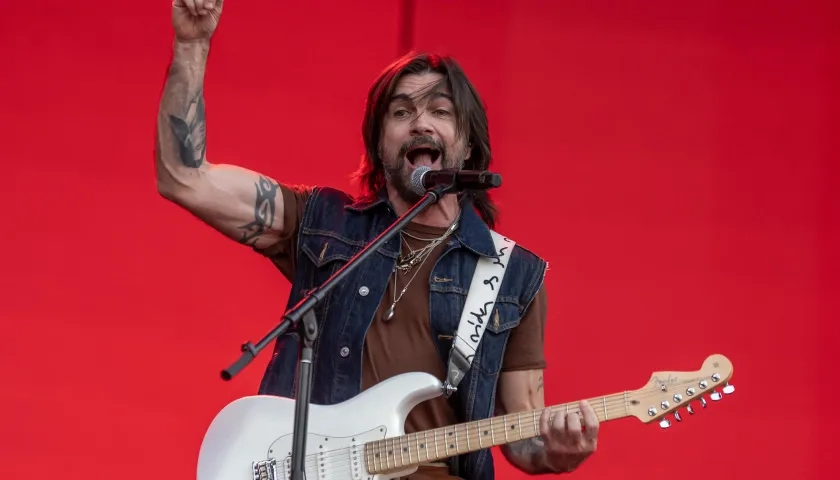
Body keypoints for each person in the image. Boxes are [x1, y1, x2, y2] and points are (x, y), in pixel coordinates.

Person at [155, 1, 599, 479]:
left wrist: (560, 450)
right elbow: (185, 178)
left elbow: (525, 440)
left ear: (467, 143)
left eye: (440, 111)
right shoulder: (324, 222)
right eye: (401, 111)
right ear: (380, 142)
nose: (420, 123)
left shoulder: (511, 274)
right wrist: (192, 43)